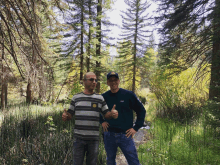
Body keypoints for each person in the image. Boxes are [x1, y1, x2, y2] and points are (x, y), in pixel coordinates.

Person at [62, 72, 118, 165]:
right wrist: (66, 116)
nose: (94, 82)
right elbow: (70, 115)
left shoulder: (99, 98)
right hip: (78, 139)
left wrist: (112, 114)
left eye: (95, 80)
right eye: (91, 80)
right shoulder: (76, 98)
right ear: (84, 81)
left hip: (93, 139)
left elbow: (106, 114)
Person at [100, 71, 146, 165]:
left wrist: (135, 128)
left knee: (134, 162)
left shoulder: (128, 95)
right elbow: (96, 111)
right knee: (110, 161)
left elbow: (141, 110)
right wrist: (102, 121)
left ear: (119, 81)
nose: (113, 82)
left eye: (115, 80)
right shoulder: (104, 97)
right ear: (107, 82)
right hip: (109, 135)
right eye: (111, 80)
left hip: (126, 135)